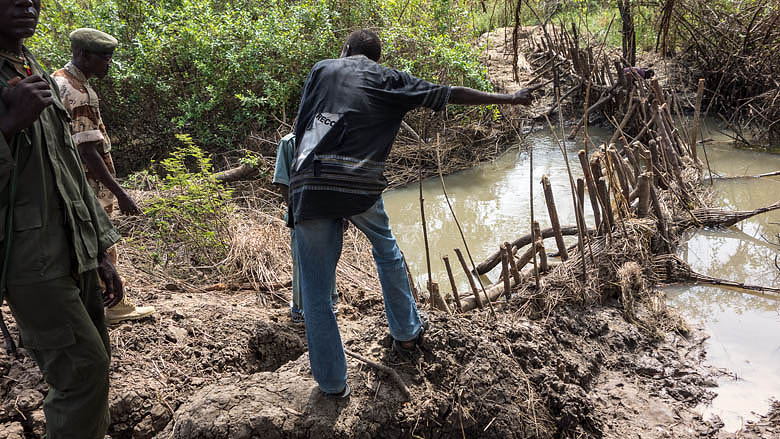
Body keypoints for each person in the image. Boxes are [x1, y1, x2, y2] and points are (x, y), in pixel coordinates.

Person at [289, 29, 534, 398]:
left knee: (318, 294)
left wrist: (298, 187)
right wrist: (511, 98)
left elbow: (302, 127)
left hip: (310, 184)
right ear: (375, 57)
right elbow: (453, 94)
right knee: (386, 251)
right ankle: (406, 333)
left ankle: (333, 385)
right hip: (359, 187)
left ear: (346, 51)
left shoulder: (322, 69)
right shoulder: (391, 79)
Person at [0, 1, 122, 436]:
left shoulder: (30, 65)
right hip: (28, 257)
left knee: (97, 359)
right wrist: (9, 125)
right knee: (83, 370)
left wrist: (100, 250)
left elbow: (68, 166)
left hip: (73, 246)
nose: (27, 7)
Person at [52, 28, 155, 325]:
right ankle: (114, 304)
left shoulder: (57, 79)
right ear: (83, 55)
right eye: (104, 57)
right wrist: (121, 193)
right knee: (102, 243)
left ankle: (89, 304)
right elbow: (88, 152)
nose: (109, 63)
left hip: (68, 182)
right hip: (88, 185)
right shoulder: (78, 92)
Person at [272, 133, 339, 323]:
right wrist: (296, 211)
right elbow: (283, 183)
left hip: (328, 212)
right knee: (302, 261)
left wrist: (342, 213)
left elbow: (336, 178)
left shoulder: (329, 137)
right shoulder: (290, 142)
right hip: (303, 213)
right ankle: (303, 308)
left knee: (328, 258)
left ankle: (328, 304)